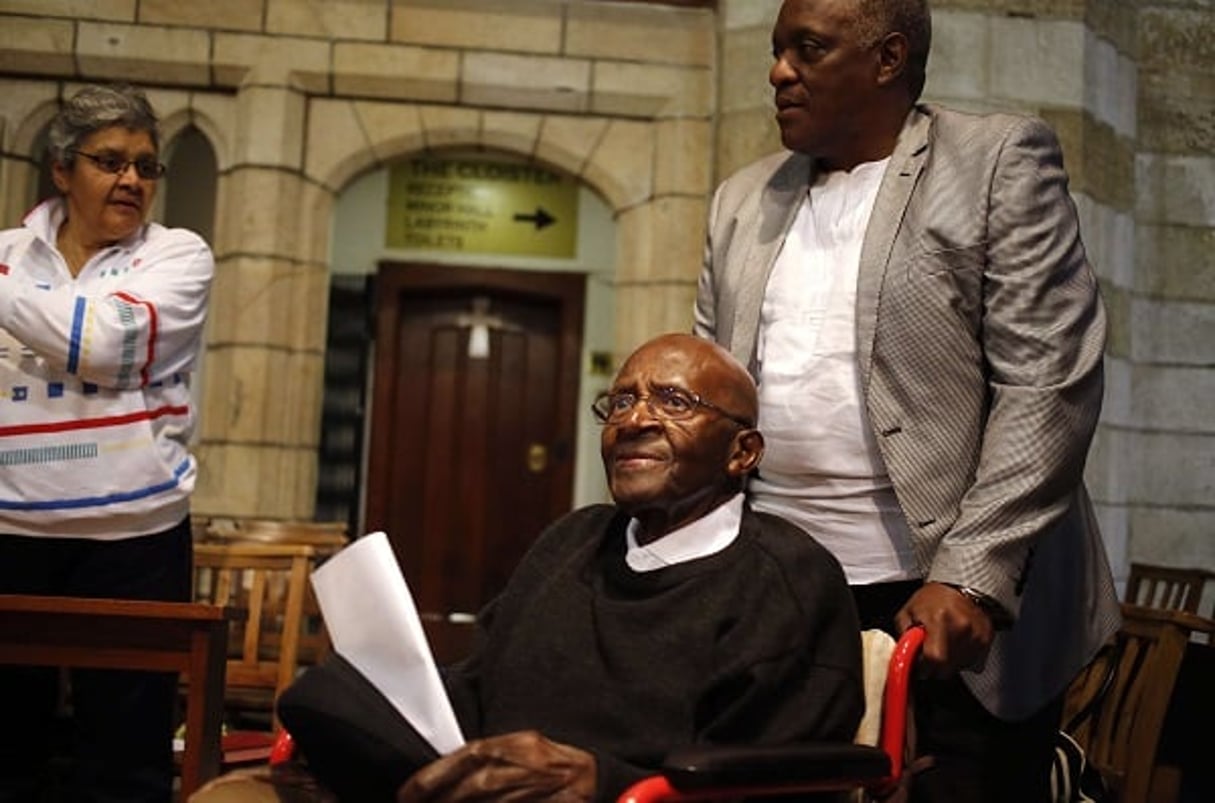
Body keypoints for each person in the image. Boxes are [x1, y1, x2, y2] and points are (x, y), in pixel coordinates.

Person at [693, 2, 1121, 802]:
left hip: (944, 596)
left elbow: (1049, 384)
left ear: (887, 58)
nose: (778, 71)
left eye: (806, 50)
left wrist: (971, 577)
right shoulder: (741, 200)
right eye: (777, 51)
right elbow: (714, 398)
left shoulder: (994, 161)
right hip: (784, 596)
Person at [269, 332, 863, 803]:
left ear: (743, 452)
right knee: (325, 697)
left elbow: (767, 782)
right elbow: (481, 684)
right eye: (622, 400)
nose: (634, 421)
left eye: (674, 401)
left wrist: (601, 784)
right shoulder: (571, 541)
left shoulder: (788, 581)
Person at [0, 84, 214, 802]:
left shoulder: (178, 257)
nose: (132, 180)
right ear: (63, 170)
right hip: (10, 530)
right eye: (111, 161)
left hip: (136, 538)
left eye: (147, 167)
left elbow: (110, 346)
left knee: (125, 761)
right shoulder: (6, 257)